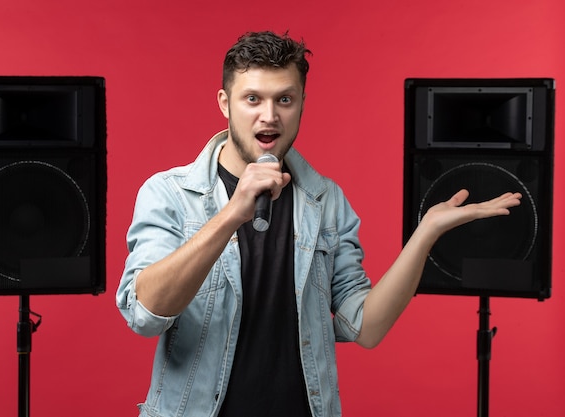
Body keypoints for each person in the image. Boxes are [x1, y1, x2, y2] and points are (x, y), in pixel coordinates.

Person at [116, 31, 522, 417]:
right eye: (252, 99)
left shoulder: (326, 202)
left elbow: (365, 327)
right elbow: (146, 314)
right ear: (225, 102)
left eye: (285, 99)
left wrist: (426, 233)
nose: (269, 116)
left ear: (302, 103)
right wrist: (230, 215)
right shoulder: (168, 193)